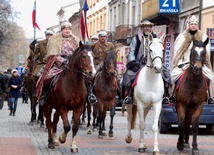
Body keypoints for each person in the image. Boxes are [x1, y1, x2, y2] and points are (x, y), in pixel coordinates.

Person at [122, 20, 171, 105]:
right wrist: (133, 62)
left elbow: (160, 51)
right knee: (128, 74)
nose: (147, 28)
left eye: (149, 27)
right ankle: (129, 95)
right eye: (145, 27)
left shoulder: (156, 39)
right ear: (142, 28)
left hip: (154, 63)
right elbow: (132, 52)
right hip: (139, 63)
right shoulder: (136, 39)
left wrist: (159, 61)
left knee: (166, 73)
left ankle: (166, 96)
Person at [171, 15, 214, 104]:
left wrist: (204, 64)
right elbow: (177, 54)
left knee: (211, 77)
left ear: (197, 25)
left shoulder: (203, 37)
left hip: (200, 63)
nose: (193, 26)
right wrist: (179, 63)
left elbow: (206, 54)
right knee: (173, 76)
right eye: (191, 24)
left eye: (195, 24)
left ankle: (210, 97)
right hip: (184, 63)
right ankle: (171, 95)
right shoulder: (181, 37)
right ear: (188, 25)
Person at [36, 21, 80, 106]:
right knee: (45, 78)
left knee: (87, 79)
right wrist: (62, 61)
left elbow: (80, 53)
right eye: (65, 29)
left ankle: (89, 96)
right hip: (59, 65)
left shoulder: (76, 40)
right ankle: (44, 96)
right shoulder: (54, 39)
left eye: (69, 29)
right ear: (62, 30)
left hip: (73, 65)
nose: (68, 31)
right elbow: (53, 55)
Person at [87, 30, 116, 104]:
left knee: (117, 77)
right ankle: (91, 93)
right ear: (99, 37)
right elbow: (88, 52)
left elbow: (114, 54)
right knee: (92, 76)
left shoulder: (110, 45)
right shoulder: (94, 45)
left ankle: (118, 93)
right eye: (101, 37)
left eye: (104, 36)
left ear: (106, 37)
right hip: (97, 64)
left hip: (108, 65)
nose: (103, 38)